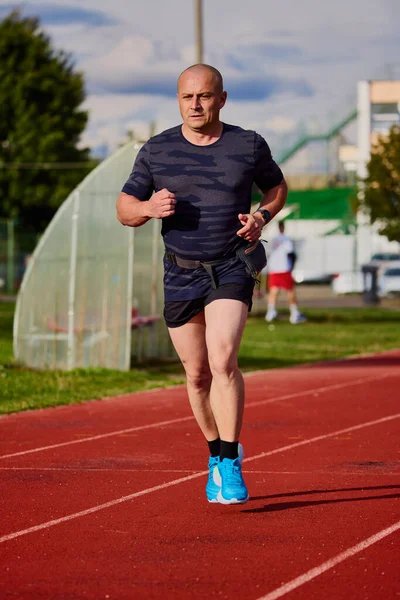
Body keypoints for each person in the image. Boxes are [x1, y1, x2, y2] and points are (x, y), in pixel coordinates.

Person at [116, 64, 288, 504]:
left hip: (231, 264)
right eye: (187, 97)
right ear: (178, 101)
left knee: (223, 358)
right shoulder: (157, 150)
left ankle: (230, 462)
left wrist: (261, 217)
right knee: (196, 376)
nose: (196, 104)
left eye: (205, 96)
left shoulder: (247, 144)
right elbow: (124, 209)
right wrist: (148, 208)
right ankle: (215, 452)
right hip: (180, 271)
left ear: (222, 99)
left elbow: (276, 188)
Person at [265, 220, 306, 324]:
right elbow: (291, 253)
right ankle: (294, 314)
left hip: (273, 268)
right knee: (290, 290)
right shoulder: (286, 239)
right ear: (283, 227)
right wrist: (292, 266)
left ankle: (271, 312)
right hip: (284, 267)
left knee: (273, 290)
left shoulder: (271, 239)